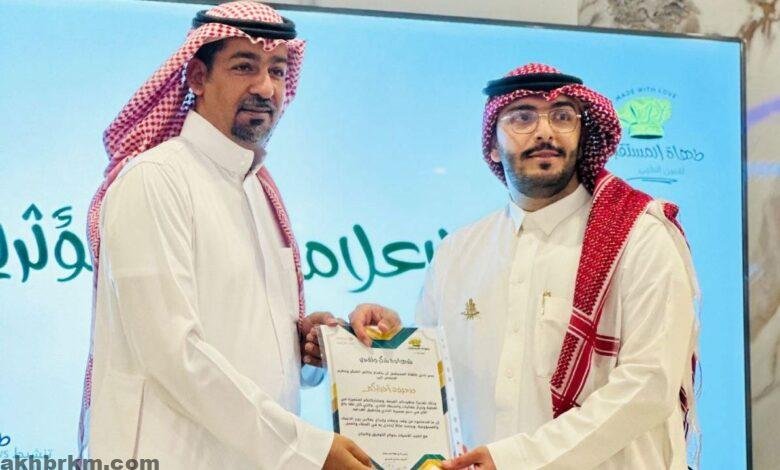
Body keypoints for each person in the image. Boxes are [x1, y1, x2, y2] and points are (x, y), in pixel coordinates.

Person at [342, 63, 700, 469]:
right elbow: (428, 383)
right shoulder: (457, 253)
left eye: (562, 116)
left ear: (582, 136)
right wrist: (388, 340)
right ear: (492, 146)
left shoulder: (638, 237)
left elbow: (649, 384)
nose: (545, 131)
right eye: (522, 117)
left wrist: (516, 459)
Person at [78, 2, 373, 468]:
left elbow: (245, 339)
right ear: (197, 77)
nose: (266, 88)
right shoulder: (156, 179)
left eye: (277, 71)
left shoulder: (260, 190)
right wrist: (308, 449)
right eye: (244, 67)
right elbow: (173, 353)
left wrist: (309, 348)